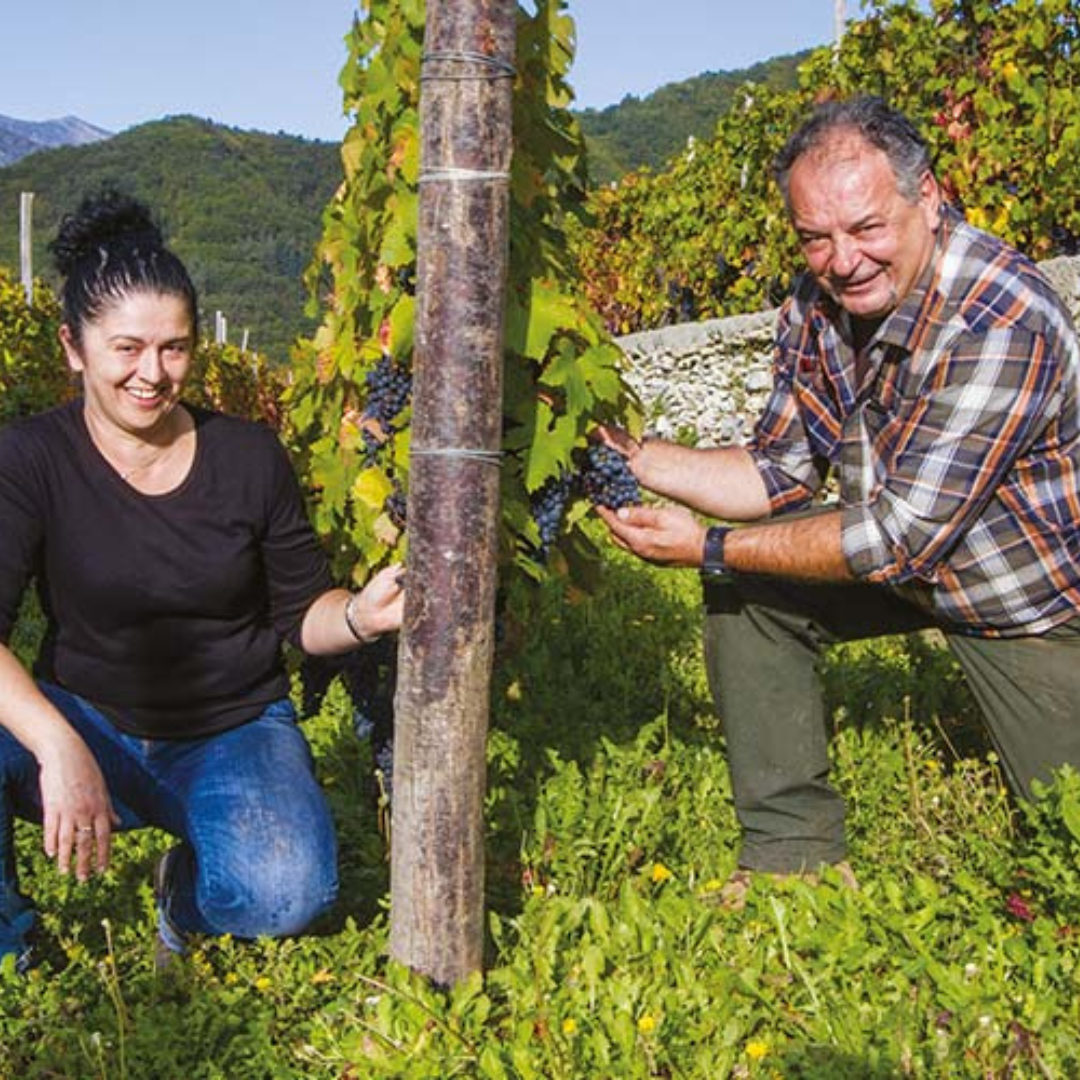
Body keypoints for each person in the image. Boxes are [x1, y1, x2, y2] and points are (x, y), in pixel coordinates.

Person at [597, 96, 1080, 891]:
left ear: (928, 197)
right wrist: (632, 456)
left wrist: (703, 543)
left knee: (1066, 840)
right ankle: (795, 860)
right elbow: (779, 469)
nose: (842, 260)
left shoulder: (999, 323)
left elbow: (895, 538)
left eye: (866, 229)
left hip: (1024, 606)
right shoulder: (819, 304)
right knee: (744, 586)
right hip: (913, 572)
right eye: (814, 238)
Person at [0, 190, 405, 973]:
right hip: (88, 717)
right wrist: (57, 743)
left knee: (286, 895)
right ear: (73, 348)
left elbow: (302, 614)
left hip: (231, 729)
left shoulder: (248, 458)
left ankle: (181, 893)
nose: (152, 374)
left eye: (175, 348)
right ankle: (11, 946)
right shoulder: (29, 458)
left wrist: (357, 614)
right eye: (126, 349)